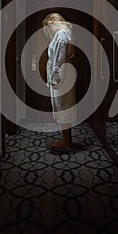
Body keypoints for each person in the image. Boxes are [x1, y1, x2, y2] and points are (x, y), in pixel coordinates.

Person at [42, 13, 77, 148]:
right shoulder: (65, 33)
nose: (47, 30)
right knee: (64, 107)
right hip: (65, 75)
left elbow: (59, 59)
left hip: (62, 77)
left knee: (63, 108)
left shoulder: (61, 35)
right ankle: (67, 139)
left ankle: (66, 141)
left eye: (47, 27)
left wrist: (55, 79)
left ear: (52, 24)